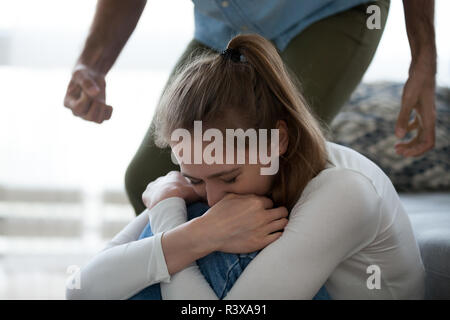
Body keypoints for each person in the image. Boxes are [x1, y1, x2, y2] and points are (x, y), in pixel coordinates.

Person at [66, 34, 425, 299]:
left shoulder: (344, 192)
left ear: (278, 141)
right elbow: (81, 290)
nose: (215, 197)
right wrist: (194, 231)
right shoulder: (221, 180)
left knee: (192, 229)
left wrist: (172, 218)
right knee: (188, 223)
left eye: (228, 177)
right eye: (196, 177)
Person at [62, 0, 437, 217]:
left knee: (276, 178)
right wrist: (92, 63)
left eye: (219, 180)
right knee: (146, 179)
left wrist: (423, 58)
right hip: (226, 20)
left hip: (329, 10)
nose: (209, 196)